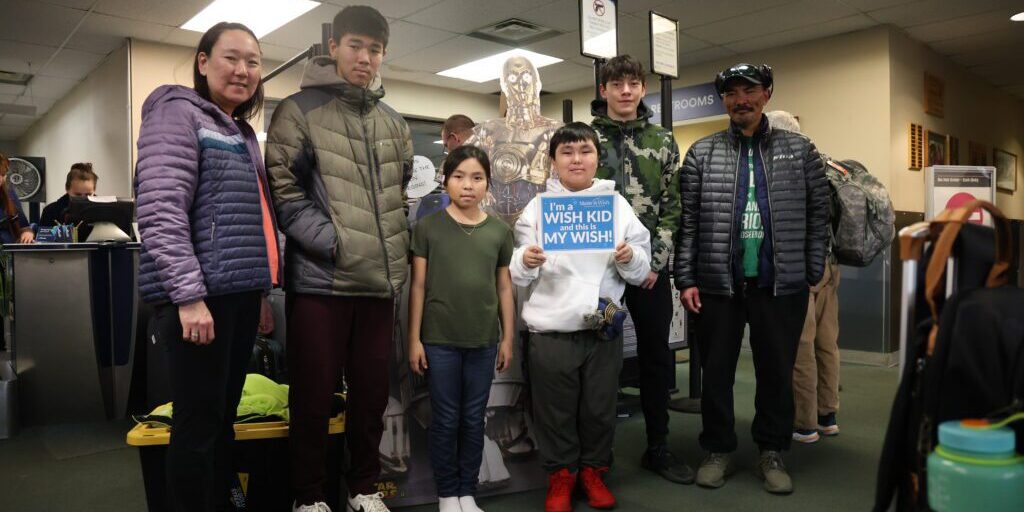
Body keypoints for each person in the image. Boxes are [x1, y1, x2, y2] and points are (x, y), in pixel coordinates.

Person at [265, 5, 412, 512]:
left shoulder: (393, 121)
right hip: (322, 282)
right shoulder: (298, 110)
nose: (364, 58)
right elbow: (284, 192)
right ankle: (308, 496)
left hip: (378, 286)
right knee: (312, 396)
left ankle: (364, 489)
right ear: (334, 47)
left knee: (372, 398)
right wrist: (336, 243)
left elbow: (398, 190)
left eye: (374, 50)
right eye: (355, 46)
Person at [134, 22, 280, 512]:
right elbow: (159, 210)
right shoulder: (177, 113)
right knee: (197, 427)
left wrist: (260, 292)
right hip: (199, 300)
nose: (243, 70)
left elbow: (249, 218)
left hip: (237, 296)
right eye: (230, 58)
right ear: (202, 61)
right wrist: (189, 298)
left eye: (253, 61)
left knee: (222, 420)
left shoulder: (238, 130)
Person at [674, 63, 829, 495]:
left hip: (779, 286)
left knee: (776, 372)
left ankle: (772, 450)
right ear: (723, 100)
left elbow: (820, 215)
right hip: (718, 285)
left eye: (750, 90)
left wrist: (812, 268)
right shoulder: (702, 153)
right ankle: (718, 449)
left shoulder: (800, 151)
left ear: (767, 94)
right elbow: (690, 223)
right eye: (732, 92)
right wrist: (686, 278)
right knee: (717, 373)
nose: (741, 99)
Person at [510, 122, 651, 512]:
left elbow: (641, 269)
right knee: (554, 410)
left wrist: (629, 258)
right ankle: (560, 476)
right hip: (552, 328)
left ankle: (593, 472)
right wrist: (526, 259)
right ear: (553, 161)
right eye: (567, 152)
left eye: (585, 151)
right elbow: (518, 272)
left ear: (596, 157)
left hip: (601, 327)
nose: (577, 159)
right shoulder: (537, 209)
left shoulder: (616, 205)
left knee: (599, 407)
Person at [590, 54, 690, 484]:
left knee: (655, 359)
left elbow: (673, 207)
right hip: (597, 272)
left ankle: (658, 447)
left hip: (649, 272)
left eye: (632, 83)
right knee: (596, 360)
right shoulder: (584, 137)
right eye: (617, 84)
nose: (625, 91)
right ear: (604, 91)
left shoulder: (663, 140)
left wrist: (656, 263)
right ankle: (595, 456)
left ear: (643, 89)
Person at [407, 145, 515, 512]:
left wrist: (508, 339)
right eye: (458, 176)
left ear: (487, 183)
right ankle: (446, 493)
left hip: (484, 340)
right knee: (446, 417)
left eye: (477, 177)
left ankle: (467, 491)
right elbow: (418, 287)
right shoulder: (427, 228)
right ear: (445, 179)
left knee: (474, 417)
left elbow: (504, 287)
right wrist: (414, 340)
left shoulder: (499, 231)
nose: (467, 185)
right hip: (438, 340)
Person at [764, 110, 842, 444]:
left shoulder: (789, 167)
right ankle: (828, 415)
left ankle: (804, 422)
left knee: (801, 346)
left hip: (802, 269)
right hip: (830, 265)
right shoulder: (822, 163)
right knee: (828, 343)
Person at [39, 162, 98, 227]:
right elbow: (44, 236)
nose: (83, 199)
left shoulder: (102, 211)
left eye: (88, 194)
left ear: (94, 190)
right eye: (78, 194)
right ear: (67, 189)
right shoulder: (50, 211)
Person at [0, 153, 34, 244]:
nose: (2, 178)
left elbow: (24, 227)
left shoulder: (10, 195)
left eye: (2, 174)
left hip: (8, 253)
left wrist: (27, 234)